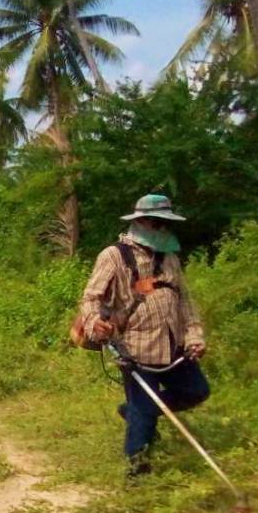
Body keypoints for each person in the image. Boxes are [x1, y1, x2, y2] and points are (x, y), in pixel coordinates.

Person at [76, 194, 210, 477]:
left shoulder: (170, 257)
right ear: (141, 222)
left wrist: (195, 336)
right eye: (157, 223)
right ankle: (138, 472)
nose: (163, 229)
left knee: (197, 391)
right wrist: (94, 323)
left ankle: (133, 411)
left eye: (166, 224)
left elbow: (185, 300)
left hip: (173, 346)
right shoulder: (114, 256)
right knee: (145, 413)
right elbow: (90, 299)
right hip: (136, 349)